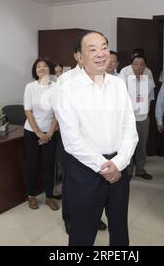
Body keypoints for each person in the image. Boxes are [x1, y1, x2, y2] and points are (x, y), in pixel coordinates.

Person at [54, 30, 138, 246]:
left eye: (104, 47)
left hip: (118, 168)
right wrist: (104, 166)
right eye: (92, 49)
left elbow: (130, 128)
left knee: (119, 227)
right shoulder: (66, 87)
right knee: (83, 231)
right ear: (79, 57)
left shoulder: (118, 84)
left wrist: (118, 163)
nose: (101, 54)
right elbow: (72, 139)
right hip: (85, 170)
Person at [54, 47, 108, 234]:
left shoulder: (100, 76)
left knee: (96, 183)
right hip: (74, 142)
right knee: (72, 183)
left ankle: (95, 217)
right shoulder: (65, 79)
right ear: (77, 56)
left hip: (97, 141)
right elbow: (61, 112)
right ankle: (70, 218)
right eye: (88, 51)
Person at [23, 58, 59, 211]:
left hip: (51, 132)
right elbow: (28, 110)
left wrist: (49, 132)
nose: (42, 68)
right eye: (38, 66)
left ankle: (49, 196)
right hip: (32, 132)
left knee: (49, 165)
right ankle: (31, 196)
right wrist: (38, 132)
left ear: (49, 69)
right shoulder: (30, 87)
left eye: (45, 66)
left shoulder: (56, 87)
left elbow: (58, 111)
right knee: (32, 164)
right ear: (35, 70)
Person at [122, 54, 155, 180]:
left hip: (143, 119)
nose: (138, 66)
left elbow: (150, 99)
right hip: (129, 119)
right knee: (129, 146)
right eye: (136, 64)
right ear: (132, 66)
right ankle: (129, 171)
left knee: (142, 146)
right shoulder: (125, 81)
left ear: (144, 66)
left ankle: (141, 170)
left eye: (141, 64)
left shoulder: (149, 82)